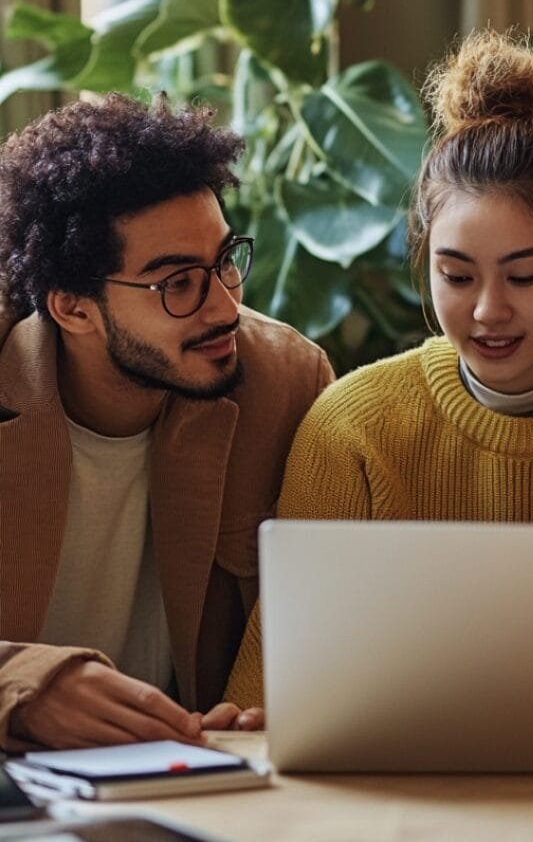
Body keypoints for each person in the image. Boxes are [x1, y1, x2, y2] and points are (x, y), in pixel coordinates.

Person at [223, 29, 533, 713]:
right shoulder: (353, 426)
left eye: (524, 275)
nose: (487, 311)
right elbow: (275, 682)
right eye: (456, 275)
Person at [0, 94, 333, 751]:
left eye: (225, 260)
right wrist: (22, 682)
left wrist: (266, 707)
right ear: (71, 308)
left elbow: (338, 613)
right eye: (176, 283)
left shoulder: (286, 383)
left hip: (197, 777)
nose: (225, 307)